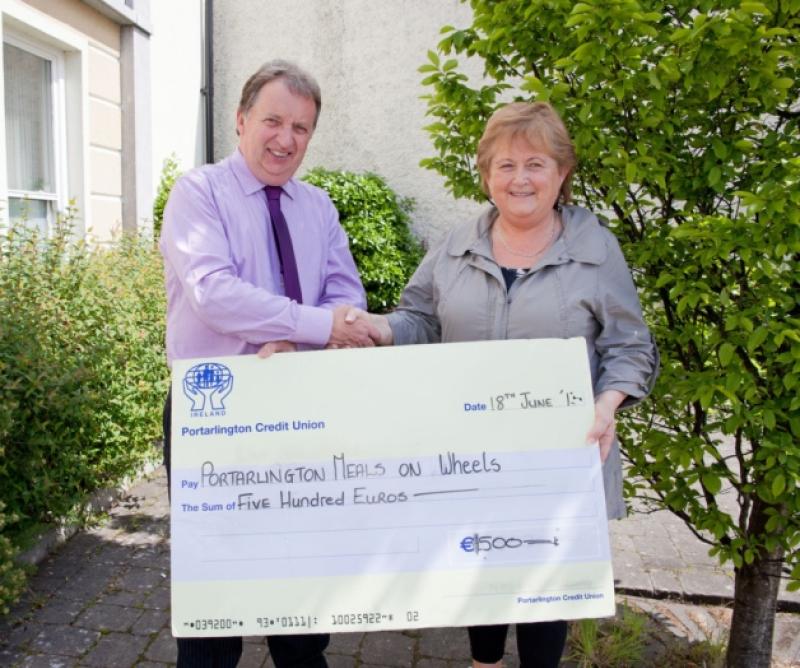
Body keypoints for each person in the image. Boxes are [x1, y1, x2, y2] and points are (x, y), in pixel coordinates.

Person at [365, 101, 658, 667]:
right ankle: (484, 663)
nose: (519, 178)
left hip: (563, 457)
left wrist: (608, 403)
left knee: (546, 592)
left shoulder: (596, 253)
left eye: (535, 164)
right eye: (505, 165)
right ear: (486, 174)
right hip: (471, 458)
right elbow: (419, 320)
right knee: (479, 572)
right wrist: (376, 328)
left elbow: (630, 347)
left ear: (561, 173)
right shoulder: (454, 249)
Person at [160, 59, 377, 668]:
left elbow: (345, 293)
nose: (286, 139)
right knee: (216, 587)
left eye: (301, 128)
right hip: (215, 414)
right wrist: (304, 326)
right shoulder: (197, 193)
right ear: (240, 120)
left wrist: (310, 340)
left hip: (300, 410)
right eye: (273, 121)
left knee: (300, 579)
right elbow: (213, 292)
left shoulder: (319, 207)